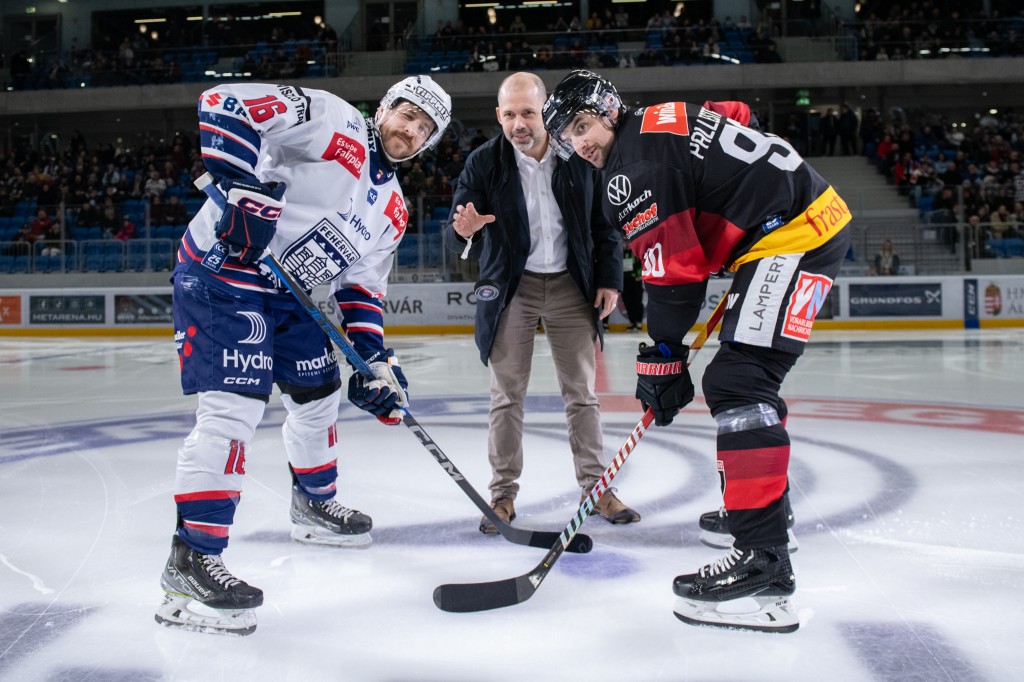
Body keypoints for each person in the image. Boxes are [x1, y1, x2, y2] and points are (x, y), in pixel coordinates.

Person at [544, 70, 852, 633]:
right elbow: (736, 114)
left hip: (791, 237)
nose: (579, 142)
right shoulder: (659, 117)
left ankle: (763, 563)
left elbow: (674, 277)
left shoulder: (631, 171)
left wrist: (662, 356)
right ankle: (764, 510)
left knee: (739, 382)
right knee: (746, 381)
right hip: (804, 223)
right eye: (568, 136)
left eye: (583, 125)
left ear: (609, 111)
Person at [156, 75, 451, 636]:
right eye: (406, 113)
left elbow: (361, 288)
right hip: (224, 272)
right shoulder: (333, 119)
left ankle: (314, 505)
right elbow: (223, 102)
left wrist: (374, 362)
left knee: (319, 396)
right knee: (232, 413)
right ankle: (191, 560)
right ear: (384, 108)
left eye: (424, 127)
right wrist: (241, 188)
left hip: (292, 294)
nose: (410, 129)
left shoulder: (393, 210)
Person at [442, 72, 634, 535]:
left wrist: (610, 278)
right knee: (506, 397)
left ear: (545, 111)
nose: (519, 124)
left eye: (528, 113)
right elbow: (455, 232)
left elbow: (605, 222)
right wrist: (464, 232)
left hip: (571, 285)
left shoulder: (577, 154)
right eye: (509, 114)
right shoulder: (484, 163)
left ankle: (595, 488)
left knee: (582, 395)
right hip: (514, 288)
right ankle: (502, 496)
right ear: (498, 115)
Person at [621, 241, 644, 331]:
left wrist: (640, 275)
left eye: (628, 243)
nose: (626, 245)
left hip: (636, 280)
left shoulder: (635, 252)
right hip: (625, 281)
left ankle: (638, 322)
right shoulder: (621, 253)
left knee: (637, 301)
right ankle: (632, 322)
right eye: (624, 243)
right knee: (627, 302)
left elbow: (642, 263)